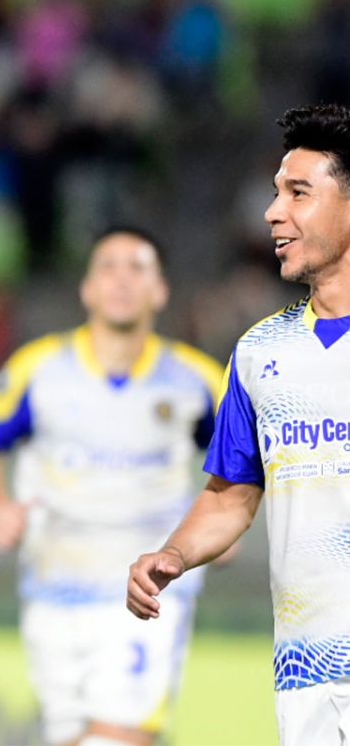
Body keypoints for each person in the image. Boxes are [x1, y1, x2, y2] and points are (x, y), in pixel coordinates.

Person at [128, 104, 350, 746]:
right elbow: (231, 495)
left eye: (298, 193)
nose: (273, 212)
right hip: (307, 671)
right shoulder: (259, 353)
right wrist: (173, 554)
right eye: (277, 192)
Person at [0, 226, 223, 746]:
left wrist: (222, 525)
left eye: (137, 268)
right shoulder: (38, 368)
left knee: (114, 739)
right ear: (87, 288)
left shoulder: (198, 379)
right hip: (53, 590)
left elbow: (247, 465)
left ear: (160, 290)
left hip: (145, 597)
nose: (122, 280)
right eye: (108, 267)